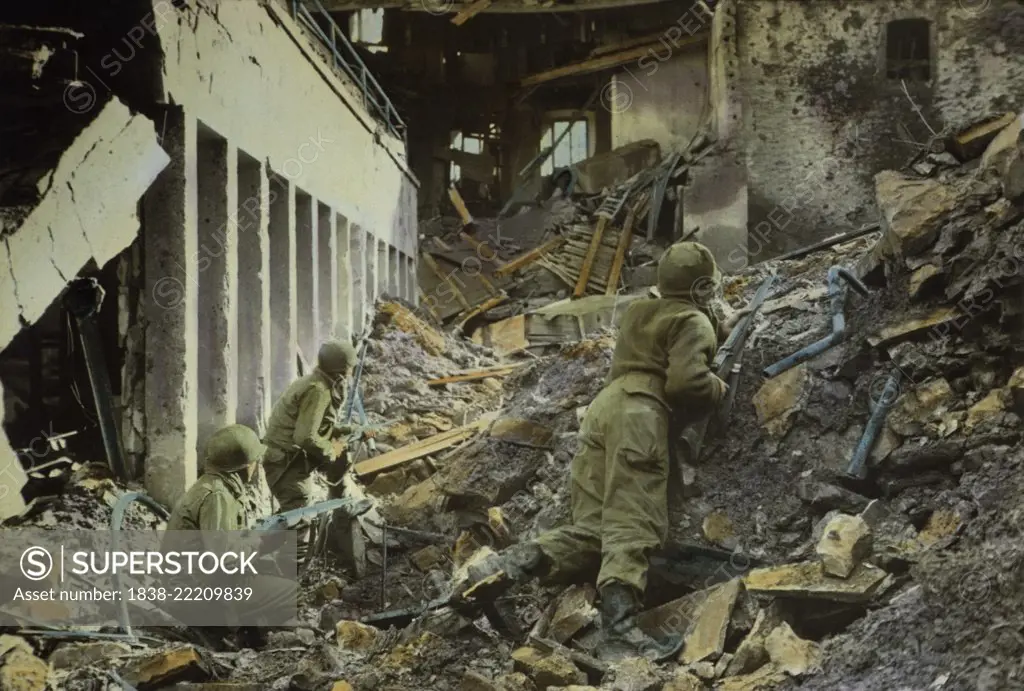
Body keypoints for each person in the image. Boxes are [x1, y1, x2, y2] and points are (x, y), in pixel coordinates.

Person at [465, 242, 746, 662]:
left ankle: (503, 568)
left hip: (603, 411)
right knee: (634, 520)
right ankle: (621, 632)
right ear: (704, 286)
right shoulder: (692, 322)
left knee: (595, 529)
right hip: (640, 417)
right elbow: (686, 383)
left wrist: (716, 328)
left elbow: (668, 331)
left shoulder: (639, 311)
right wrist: (719, 387)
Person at [164, 424, 296, 631]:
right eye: (254, 462)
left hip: (187, 584)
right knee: (293, 593)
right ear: (243, 467)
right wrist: (261, 540)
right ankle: (238, 631)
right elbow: (224, 559)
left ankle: (242, 628)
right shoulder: (219, 497)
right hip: (195, 593)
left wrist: (253, 535)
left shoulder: (212, 485)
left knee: (265, 572)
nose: (256, 466)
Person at [262, 340, 368, 546]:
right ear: (340, 370)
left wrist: (352, 431)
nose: (350, 373)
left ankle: (341, 509)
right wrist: (330, 451)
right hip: (285, 463)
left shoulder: (317, 382)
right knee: (299, 518)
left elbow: (319, 427)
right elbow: (305, 438)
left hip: (292, 456)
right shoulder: (318, 391)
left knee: (340, 454)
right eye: (349, 369)